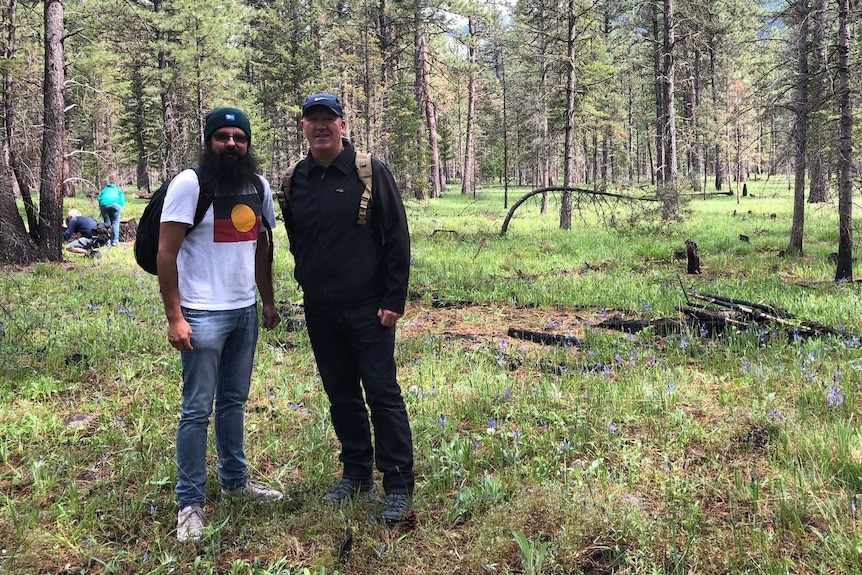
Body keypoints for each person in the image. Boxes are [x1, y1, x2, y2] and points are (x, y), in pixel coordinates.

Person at [281, 93, 414, 525]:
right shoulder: (295, 179)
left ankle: (397, 483)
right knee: (341, 395)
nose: (320, 126)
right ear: (303, 127)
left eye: (328, 119)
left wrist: (393, 299)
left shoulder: (369, 172)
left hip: (369, 309)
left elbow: (397, 237)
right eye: (312, 119)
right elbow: (296, 240)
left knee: (382, 394)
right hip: (320, 310)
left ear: (342, 124)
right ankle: (356, 473)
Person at [158, 106, 282, 543]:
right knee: (196, 409)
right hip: (201, 313)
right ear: (209, 140)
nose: (231, 144)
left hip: (244, 311)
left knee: (233, 402)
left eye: (239, 137)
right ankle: (189, 502)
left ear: (247, 144)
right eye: (222, 136)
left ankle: (236, 481)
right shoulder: (190, 183)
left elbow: (262, 248)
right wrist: (176, 317)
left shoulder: (258, 185)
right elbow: (166, 254)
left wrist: (266, 301)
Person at [98, 182, 125, 246]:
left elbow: (99, 199)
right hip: (116, 205)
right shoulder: (117, 190)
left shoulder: (104, 190)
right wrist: (120, 206)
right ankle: (115, 241)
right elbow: (122, 199)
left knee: (107, 224)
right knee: (115, 223)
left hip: (104, 205)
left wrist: (101, 207)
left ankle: (108, 241)